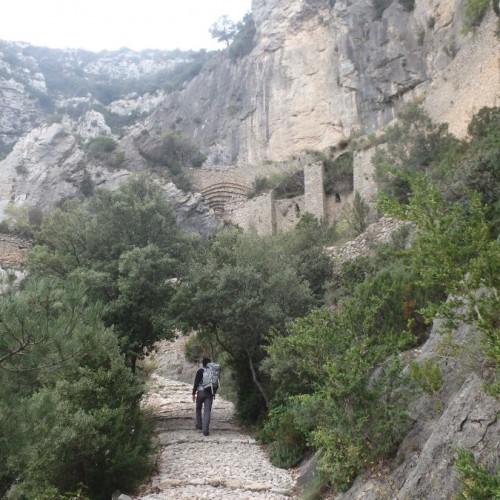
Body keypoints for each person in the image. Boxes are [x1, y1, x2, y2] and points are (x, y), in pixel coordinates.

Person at [192, 357, 216, 436]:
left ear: (203, 363)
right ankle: (205, 430)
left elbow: (196, 383)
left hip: (201, 392)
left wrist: (193, 393)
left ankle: (199, 426)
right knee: (207, 411)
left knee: (198, 408)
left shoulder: (200, 371)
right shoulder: (212, 372)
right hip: (209, 393)